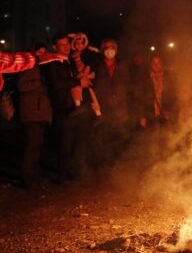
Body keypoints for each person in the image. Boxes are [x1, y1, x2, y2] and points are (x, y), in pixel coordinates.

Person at [43, 34, 95, 183]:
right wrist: (78, 82)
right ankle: (62, 175)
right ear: (55, 47)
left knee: (77, 142)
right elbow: (56, 84)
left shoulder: (69, 61)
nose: (66, 47)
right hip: (62, 108)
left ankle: (75, 171)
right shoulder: (52, 63)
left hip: (74, 107)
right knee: (64, 143)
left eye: (67, 44)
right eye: (62, 45)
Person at [17, 44, 54, 189]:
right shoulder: (28, 66)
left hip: (41, 112)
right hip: (31, 112)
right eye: (39, 52)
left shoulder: (43, 67)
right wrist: (39, 82)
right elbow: (21, 86)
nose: (42, 54)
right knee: (31, 146)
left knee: (37, 145)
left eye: (44, 52)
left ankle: (34, 175)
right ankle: (27, 177)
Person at [91, 39, 131, 166]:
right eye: (107, 47)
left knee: (119, 137)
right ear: (103, 50)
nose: (109, 50)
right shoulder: (97, 66)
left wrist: (120, 98)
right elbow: (93, 85)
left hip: (120, 108)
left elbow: (127, 85)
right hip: (102, 108)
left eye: (112, 47)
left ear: (116, 50)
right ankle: (102, 166)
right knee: (101, 137)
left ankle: (117, 165)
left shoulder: (123, 66)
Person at [136, 54, 179, 129]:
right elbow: (140, 98)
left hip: (165, 115)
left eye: (158, 63)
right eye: (154, 63)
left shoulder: (169, 77)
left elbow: (174, 96)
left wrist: (172, 113)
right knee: (151, 138)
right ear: (150, 64)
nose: (156, 65)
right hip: (149, 115)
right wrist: (141, 116)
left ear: (162, 64)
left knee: (166, 138)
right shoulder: (144, 78)